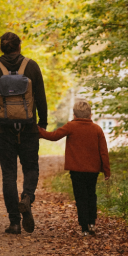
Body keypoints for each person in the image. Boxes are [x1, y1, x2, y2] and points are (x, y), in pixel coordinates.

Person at [0, 32, 48, 234]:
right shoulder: (32, 67)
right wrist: (42, 123)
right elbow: (41, 97)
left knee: (8, 174)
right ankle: (26, 197)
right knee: (31, 167)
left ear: (2, 48)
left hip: (4, 128)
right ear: (19, 46)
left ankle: (14, 222)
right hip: (28, 127)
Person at [38, 99, 111, 236]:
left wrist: (38, 131)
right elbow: (103, 152)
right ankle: (92, 223)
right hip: (92, 171)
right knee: (91, 195)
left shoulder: (71, 126)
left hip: (76, 170)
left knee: (80, 197)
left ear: (74, 115)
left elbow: (54, 136)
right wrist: (106, 170)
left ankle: (84, 228)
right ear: (90, 115)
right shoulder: (97, 129)